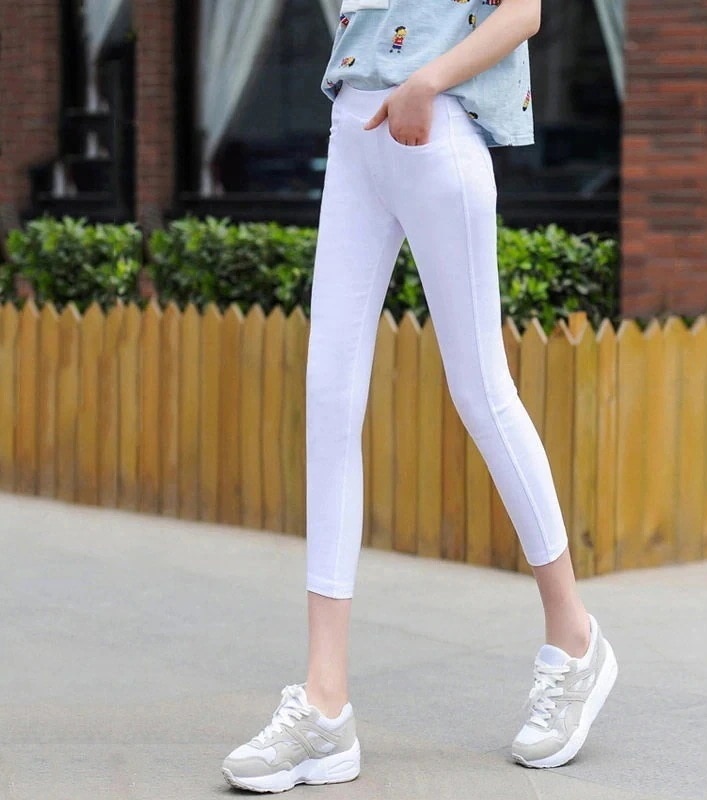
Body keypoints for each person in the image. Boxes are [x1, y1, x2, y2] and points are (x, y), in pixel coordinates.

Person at [221, 0, 617, 792]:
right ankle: (325, 705)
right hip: (354, 124)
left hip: (437, 123)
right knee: (329, 400)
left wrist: (427, 82)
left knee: (482, 392)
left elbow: (524, 13)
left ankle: (574, 638)